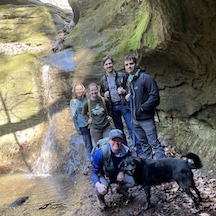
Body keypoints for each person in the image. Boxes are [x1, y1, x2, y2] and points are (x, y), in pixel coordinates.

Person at [124, 54, 165, 159]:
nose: (129, 66)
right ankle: (151, 167)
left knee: (154, 143)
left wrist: (143, 108)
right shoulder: (129, 81)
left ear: (136, 64)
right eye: (127, 64)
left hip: (146, 118)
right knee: (144, 145)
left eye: (131, 64)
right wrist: (127, 100)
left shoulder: (145, 78)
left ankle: (162, 167)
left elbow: (154, 96)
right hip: (135, 119)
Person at [91, 129, 135, 211]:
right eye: (113, 140)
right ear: (109, 141)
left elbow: (128, 164)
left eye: (119, 140)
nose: (116, 143)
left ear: (122, 141)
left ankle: (121, 189)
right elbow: (94, 173)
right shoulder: (101, 153)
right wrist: (98, 184)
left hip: (117, 173)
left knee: (133, 181)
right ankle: (101, 200)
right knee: (102, 188)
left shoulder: (126, 151)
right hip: (104, 174)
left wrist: (122, 172)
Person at [100, 56, 136, 148]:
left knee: (131, 127)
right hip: (113, 107)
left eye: (110, 63)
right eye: (106, 64)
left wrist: (124, 91)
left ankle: (138, 149)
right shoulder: (103, 80)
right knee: (119, 130)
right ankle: (125, 149)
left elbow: (130, 87)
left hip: (123, 104)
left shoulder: (122, 75)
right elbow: (101, 93)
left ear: (113, 64)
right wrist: (105, 95)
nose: (108, 66)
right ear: (104, 66)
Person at [70, 83, 93, 167]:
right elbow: (74, 116)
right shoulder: (73, 102)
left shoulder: (88, 97)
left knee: (95, 142)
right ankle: (91, 161)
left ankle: (99, 159)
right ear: (75, 92)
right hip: (82, 125)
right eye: (77, 90)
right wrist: (77, 129)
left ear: (83, 90)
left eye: (80, 89)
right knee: (88, 144)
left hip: (92, 123)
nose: (79, 91)